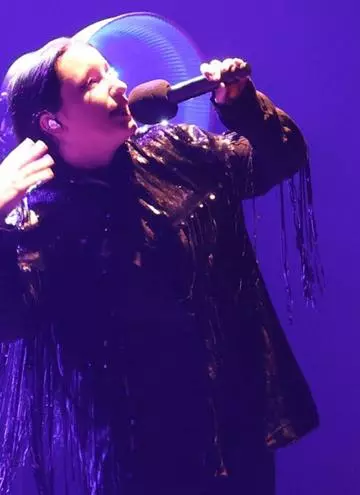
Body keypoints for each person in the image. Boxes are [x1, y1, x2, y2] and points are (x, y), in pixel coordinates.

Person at [0, 35, 323, 495]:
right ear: (52, 121)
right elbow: (10, 317)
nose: (117, 85)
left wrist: (242, 106)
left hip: (238, 431)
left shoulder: (175, 152)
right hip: (143, 460)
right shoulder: (41, 223)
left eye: (109, 71)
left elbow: (280, 158)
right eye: (92, 82)